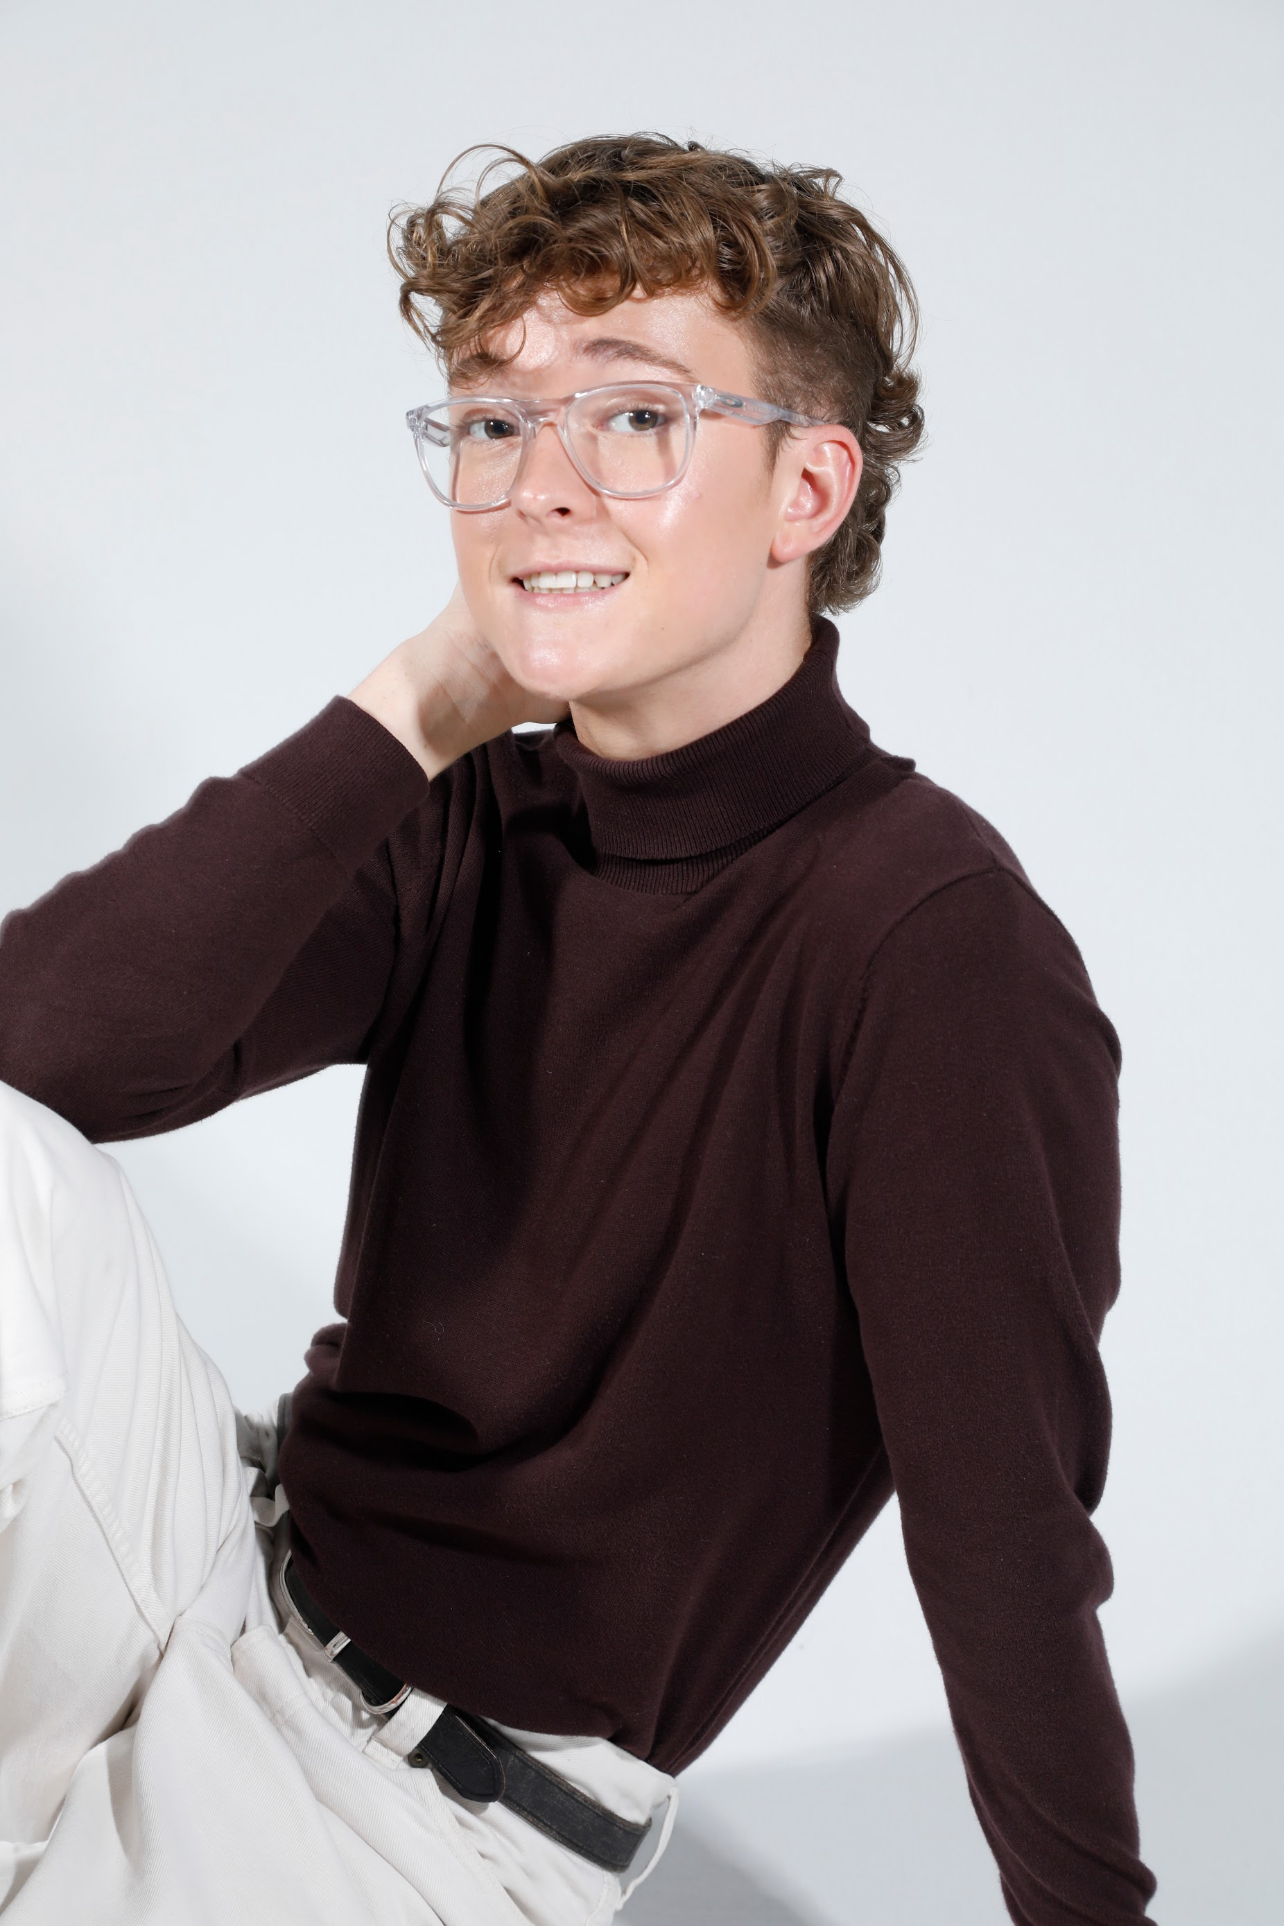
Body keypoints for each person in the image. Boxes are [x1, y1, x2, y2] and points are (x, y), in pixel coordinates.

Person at [0, 133, 1158, 1925]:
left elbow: (1002, 1541)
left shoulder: (936, 947)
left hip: (414, 1833)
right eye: (489, 421)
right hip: (203, 1578)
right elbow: (43, 1045)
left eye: (632, 418)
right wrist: (422, 699)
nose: (538, 483)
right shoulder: (474, 810)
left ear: (808, 492)